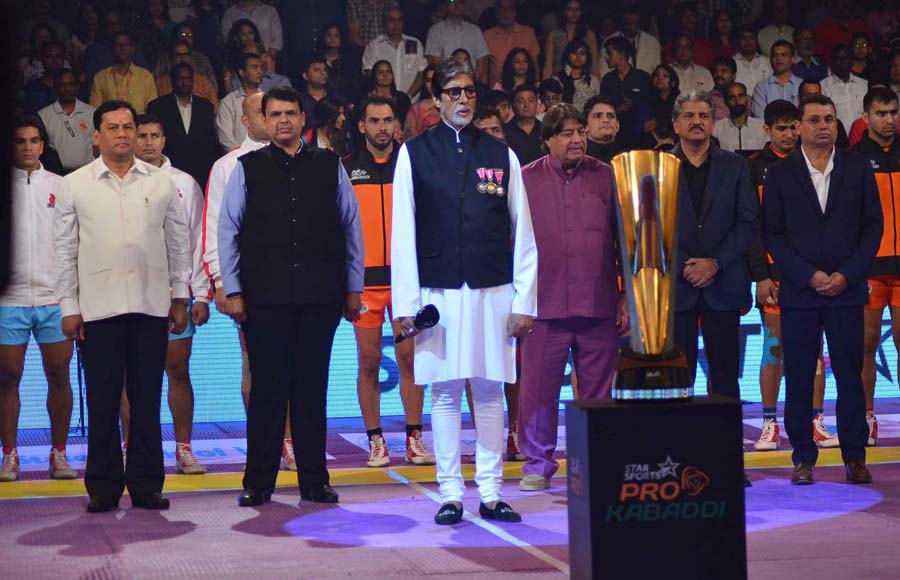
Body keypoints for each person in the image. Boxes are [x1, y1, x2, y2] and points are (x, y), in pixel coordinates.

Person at [391, 56, 537, 525]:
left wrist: (524, 302)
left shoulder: (502, 153)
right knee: (445, 394)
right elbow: (402, 235)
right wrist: (407, 306)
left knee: (490, 391)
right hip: (438, 291)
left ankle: (491, 491)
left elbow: (526, 234)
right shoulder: (414, 153)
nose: (463, 99)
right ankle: (451, 492)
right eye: (453, 92)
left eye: (469, 91)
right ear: (435, 100)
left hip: (493, 290)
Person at [219, 87, 364, 507]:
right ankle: (257, 482)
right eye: (275, 114)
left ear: (304, 119)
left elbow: (351, 228)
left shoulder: (329, 164)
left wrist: (353, 287)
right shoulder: (246, 168)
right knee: (267, 391)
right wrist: (234, 290)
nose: (283, 120)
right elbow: (228, 232)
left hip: (321, 298)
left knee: (311, 391)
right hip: (264, 300)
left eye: (291, 113)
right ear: (263, 121)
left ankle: (314, 481)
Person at [54, 100, 191, 512]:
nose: (122, 134)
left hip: (151, 305)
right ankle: (103, 486)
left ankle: (147, 484)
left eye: (128, 126)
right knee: (102, 398)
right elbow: (63, 251)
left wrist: (181, 294)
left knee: (148, 397)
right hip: (97, 309)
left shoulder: (161, 182)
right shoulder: (74, 184)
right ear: (96, 136)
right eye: (112, 127)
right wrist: (68, 307)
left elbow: (178, 243)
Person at [763, 93, 882, 485]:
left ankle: (855, 456)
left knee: (849, 375)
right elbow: (774, 235)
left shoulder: (859, 168)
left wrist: (847, 274)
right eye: (814, 119)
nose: (823, 126)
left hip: (847, 290)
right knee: (798, 375)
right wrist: (807, 275)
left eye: (829, 119)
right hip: (801, 291)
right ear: (800, 126)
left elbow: (872, 229)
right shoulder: (780, 175)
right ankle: (803, 458)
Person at [517, 103, 627, 492]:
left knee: (598, 393)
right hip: (542, 307)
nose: (577, 138)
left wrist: (627, 297)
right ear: (546, 140)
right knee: (537, 390)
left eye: (580, 130)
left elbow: (625, 242)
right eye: (566, 132)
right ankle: (536, 463)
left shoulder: (609, 177)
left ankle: (594, 460)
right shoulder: (524, 179)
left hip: (598, 305)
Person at [202, 92, 297, 471]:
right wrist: (224, 283)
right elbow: (215, 230)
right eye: (264, 111)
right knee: (256, 364)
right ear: (246, 121)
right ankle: (268, 442)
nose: (274, 117)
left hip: (297, 282)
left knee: (294, 365)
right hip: (252, 284)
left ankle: (291, 441)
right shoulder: (228, 166)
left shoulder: (302, 157)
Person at [346, 95, 435, 468]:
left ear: (396, 125)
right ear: (362, 126)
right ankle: (376, 441)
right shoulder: (346, 168)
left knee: (409, 359)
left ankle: (414, 439)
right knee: (368, 361)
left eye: (387, 120)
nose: (382, 127)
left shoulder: (413, 164)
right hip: (365, 284)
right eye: (374, 120)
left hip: (406, 284)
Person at [747, 100, 838, 451]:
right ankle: (769, 421)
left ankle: (816, 420)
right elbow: (754, 229)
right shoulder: (755, 170)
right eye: (781, 128)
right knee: (774, 350)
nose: (788, 134)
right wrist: (761, 275)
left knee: (815, 350)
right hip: (775, 276)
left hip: (813, 276)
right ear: (767, 130)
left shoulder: (814, 165)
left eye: (792, 127)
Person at [125, 113, 211, 475]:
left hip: (175, 294)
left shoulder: (184, 183)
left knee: (177, 371)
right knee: (130, 376)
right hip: (129, 294)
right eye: (141, 135)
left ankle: (184, 448)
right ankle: (133, 450)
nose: (147, 141)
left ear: (164, 139)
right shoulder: (120, 181)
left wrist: (198, 294)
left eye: (154, 135)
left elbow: (195, 240)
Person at [0, 115, 76, 483]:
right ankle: (10, 455)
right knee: (7, 376)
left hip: (54, 300)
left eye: (34, 140)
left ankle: (59, 454)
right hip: (9, 301)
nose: (28, 147)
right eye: (20, 141)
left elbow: (74, 245)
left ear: (43, 145)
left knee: (59, 374)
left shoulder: (62, 187)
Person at [672, 90, 757, 401]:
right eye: (689, 116)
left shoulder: (736, 166)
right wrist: (685, 265)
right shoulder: (659, 166)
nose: (697, 122)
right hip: (676, 288)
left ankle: (724, 449)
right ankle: (678, 451)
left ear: (713, 122)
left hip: (723, 283)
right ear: (676, 124)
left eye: (704, 116)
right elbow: (650, 228)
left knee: (724, 380)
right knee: (676, 380)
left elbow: (747, 224)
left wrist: (715, 263)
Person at [851, 87, 900, 447]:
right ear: (866, 117)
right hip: (868, 269)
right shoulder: (852, 159)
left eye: (893, 112)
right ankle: (867, 415)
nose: (889, 119)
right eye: (881, 113)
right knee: (865, 345)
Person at [147, 63, 218, 191]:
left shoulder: (205, 107)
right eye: (180, 79)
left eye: (188, 79)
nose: (185, 83)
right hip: (169, 171)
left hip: (200, 172)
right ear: (172, 81)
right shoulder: (158, 106)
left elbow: (210, 142)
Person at [38, 70, 96, 174]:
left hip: (87, 174)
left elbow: (97, 146)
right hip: (55, 175)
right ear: (55, 88)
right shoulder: (43, 116)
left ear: (77, 87)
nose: (67, 89)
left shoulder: (91, 113)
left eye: (71, 84)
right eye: (62, 85)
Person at [363, 5, 428, 97]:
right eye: (391, 20)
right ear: (384, 23)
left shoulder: (414, 43)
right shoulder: (374, 46)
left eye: (399, 20)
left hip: (411, 103)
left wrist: (406, 98)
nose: (396, 24)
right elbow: (370, 74)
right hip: (382, 103)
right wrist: (386, 96)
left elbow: (421, 74)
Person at [599, 36, 651, 147]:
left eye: (609, 53)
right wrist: (617, 110)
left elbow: (651, 105)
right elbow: (602, 106)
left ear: (621, 54)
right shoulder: (607, 79)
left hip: (640, 136)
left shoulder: (642, 77)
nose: (606, 57)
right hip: (614, 135)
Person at [89, 32, 158, 114]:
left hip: (138, 125)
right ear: (112, 48)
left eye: (126, 44)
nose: (122, 48)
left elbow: (153, 110)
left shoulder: (146, 76)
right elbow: (94, 112)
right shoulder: (100, 77)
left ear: (132, 48)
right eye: (118, 45)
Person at [425, 0, 491, 81]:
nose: (457, 4)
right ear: (445, 5)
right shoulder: (435, 30)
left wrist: (470, 83)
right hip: (445, 84)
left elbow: (481, 63)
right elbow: (434, 64)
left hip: (472, 84)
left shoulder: (475, 30)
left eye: (461, 2)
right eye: (452, 1)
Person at [483, 0, 541, 89]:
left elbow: (535, 65)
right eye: (502, 9)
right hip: (496, 93)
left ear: (515, 11)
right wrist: (485, 93)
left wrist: (536, 87)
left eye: (509, 8)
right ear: (496, 12)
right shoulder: (487, 35)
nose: (506, 12)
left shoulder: (528, 32)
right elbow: (484, 69)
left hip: (525, 91)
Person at [542, 0, 600, 80]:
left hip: (582, 81)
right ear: (563, 11)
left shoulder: (589, 35)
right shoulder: (553, 35)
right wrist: (544, 85)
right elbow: (548, 64)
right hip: (558, 80)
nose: (574, 13)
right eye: (570, 9)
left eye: (577, 9)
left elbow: (594, 65)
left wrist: (597, 85)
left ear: (581, 12)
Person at [218, 53, 264, 152]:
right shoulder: (228, 102)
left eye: (261, 67)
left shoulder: (268, 100)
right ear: (242, 72)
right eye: (254, 67)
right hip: (238, 160)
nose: (260, 71)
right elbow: (226, 139)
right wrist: (245, 156)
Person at [156, 41, 219, 112]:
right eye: (178, 55)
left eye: (186, 55)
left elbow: (215, 109)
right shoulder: (160, 83)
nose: (182, 59)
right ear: (171, 58)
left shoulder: (203, 82)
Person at [821, 44, 869, 133]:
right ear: (832, 62)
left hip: (863, 137)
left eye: (844, 58)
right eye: (837, 59)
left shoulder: (864, 85)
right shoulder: (823, 86)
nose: (841, 62)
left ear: (851, 61)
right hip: (837, 139)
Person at [751, 40, 803, 119]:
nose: (779, 58)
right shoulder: (761, 87)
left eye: (783, 55)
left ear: (793, 59)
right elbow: (760, 118)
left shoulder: (801, 85)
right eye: (775, 55)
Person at [714, 82, 766, 152]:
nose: (737, 101)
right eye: (732, 98)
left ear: (747, 99)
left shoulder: (761, 127)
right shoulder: (717, 128)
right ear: (726, 102)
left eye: (741, 96)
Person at [556, 40, 600, 113]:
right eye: (574, 53)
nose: (578, 56)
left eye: (582, 53)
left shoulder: (594, 81)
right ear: (567, 55)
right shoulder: (557, 80)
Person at [505, 84, 543, 165]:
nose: (526, 105)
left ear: (537, 103)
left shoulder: (547, 130)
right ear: (512, 105)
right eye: (520, 102)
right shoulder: (504, 132)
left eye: (531, 100)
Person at [620, 5, 661, 75]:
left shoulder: (652, 42)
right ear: (622, 22)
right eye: (628, 24)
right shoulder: (609, 41)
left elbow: (656, 71)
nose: (632, 28)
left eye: (635, 24)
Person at [404, 65, 440, 140]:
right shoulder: (416, 109)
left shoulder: (453, 106)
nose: (432, 84)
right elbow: (409, 139)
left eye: (435, 80)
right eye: (428, 81)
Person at [583, 95, 622, 163]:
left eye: (611, 116)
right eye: (598, 116)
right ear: (585, 126)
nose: (606, 120)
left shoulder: (627, 158)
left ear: (617, 126)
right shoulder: (576, 157)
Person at [300, 56, 331, 134]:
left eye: (325, 70)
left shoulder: (334, 99)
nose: (323, 73)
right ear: (305, 76)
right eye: (317, 70)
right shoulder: (298, 101)